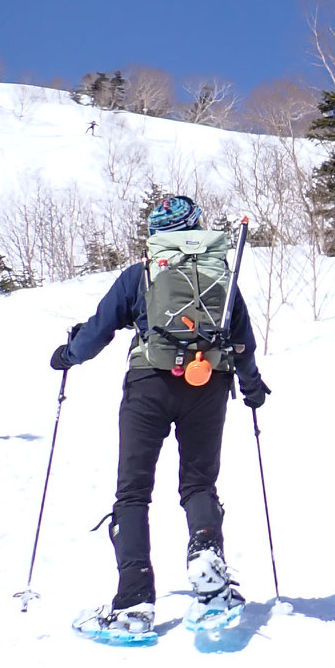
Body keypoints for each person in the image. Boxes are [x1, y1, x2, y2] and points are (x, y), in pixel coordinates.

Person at [49, 194, 272, 637]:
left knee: (133, 493)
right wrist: (251, 386)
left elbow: (98, 332)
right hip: (208, 385)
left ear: (156, 236)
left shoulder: (141, 274)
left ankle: (133, 602)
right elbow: (242, 340)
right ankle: (208, 567)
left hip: (148, 386)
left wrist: (67, 356)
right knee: (198, 484)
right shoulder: (220, 278)